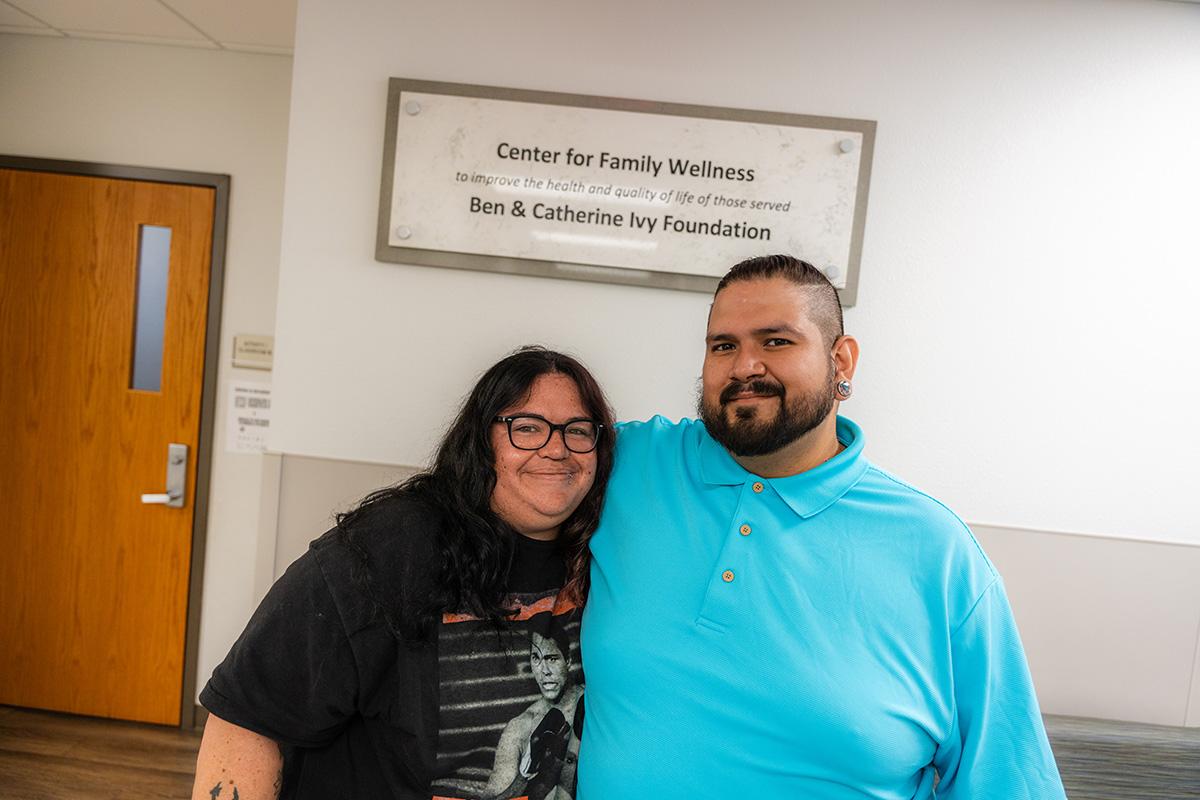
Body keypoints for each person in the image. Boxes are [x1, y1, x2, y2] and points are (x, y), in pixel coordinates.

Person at [579, 255, 1067, 798]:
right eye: (723, 346)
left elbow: (1005, 781)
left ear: (842, 361)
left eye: (776, 341)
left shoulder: (937, 550)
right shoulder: (627, 466)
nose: (744, 366)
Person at [192, 347, 614, 800]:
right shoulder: (391, 547)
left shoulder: (604, 555)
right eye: (527, 428)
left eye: (577, 430)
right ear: (482, 442)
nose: (556, 448)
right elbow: (249, 718)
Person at [483, 629, 584, 800]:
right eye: (536, 658)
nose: (544, 670)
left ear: (568, 661)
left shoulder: (593, 702)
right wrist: (525, 773)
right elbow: (494, 796)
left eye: (551, 659)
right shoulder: (519, 727)